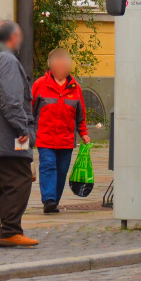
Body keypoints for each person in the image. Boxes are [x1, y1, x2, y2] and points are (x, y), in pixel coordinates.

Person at [0, 20, 38, 247]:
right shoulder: (8, 60)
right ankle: (10, 231)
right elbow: (11, 102)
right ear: (13, 38)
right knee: (19, 181)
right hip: (9, 138)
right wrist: (24, 130)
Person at [31, 49, 90, 214]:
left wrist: (83, 133)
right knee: (48, 166)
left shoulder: (75, 87)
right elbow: (30, 109)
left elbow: (80, 113)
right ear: (50, 65)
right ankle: (48, 199)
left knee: (62, 171)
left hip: (66, 139)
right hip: (45, 138)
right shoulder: (40, 85)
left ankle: (54, 201)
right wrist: (27, 130)